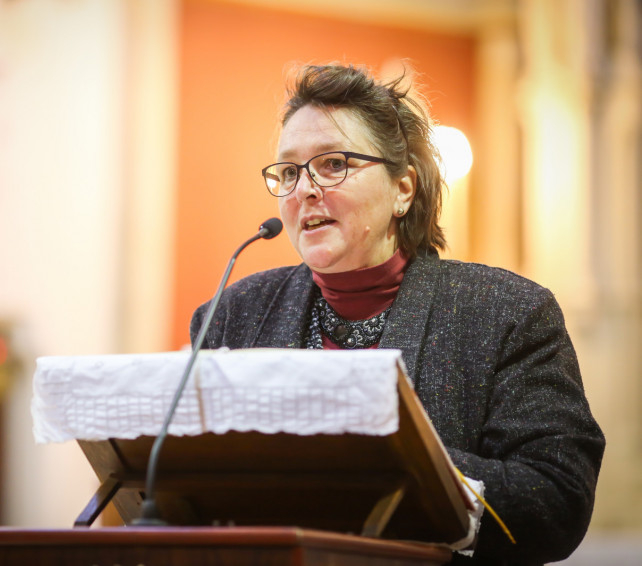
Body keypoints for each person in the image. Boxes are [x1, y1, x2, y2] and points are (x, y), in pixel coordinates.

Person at [190, 64, 605, 564]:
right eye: (290, 172)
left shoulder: (507, 313)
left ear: (403, 189)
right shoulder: (232, 315)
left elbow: (557, 499)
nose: (304, 189)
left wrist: (391, 462)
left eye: (333, 163)